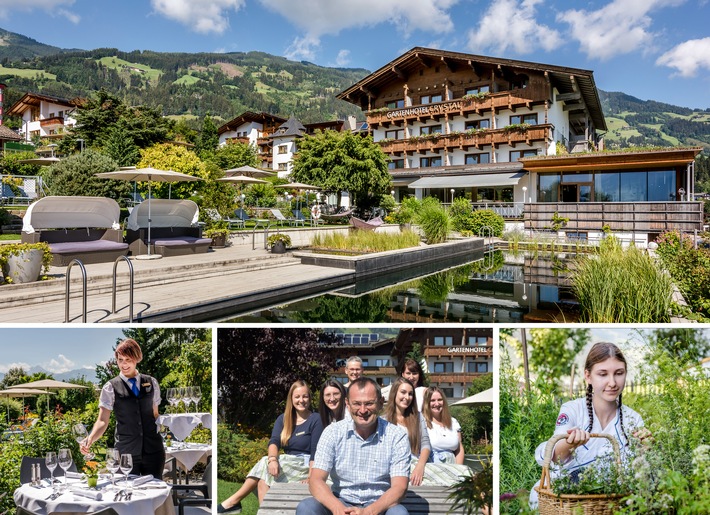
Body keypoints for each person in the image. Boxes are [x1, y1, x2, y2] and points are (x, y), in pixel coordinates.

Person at [529, 342, 650, 508]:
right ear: (588, 376)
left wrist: (644, 449)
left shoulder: (633, 418)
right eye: (603, 374)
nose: (612, 382)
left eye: (619, 373)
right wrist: (570, 443)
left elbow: (637, 471)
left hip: (612, 499)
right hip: (569, 498)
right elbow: (552, 455)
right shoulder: (572, 409)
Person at [296, 377, 411, 515]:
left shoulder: (397, 436)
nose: (362, 410)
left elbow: (400, 487)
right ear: (347, 404)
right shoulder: (332, 432)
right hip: (340, 500)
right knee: (306, 508)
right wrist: (338, 509)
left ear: (380, 403)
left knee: (399, 514)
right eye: (356, 404)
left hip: (381, 505)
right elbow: (316, 480)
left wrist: (368, 512)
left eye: (369, 403)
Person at [219, 380, 322, 514]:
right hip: (288, 465)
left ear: (310, 398)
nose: (301, 400)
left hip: (305, 466)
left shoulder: (316, 419)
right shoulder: (283, 419)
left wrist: (311, 477)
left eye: (305, 396)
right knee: (263, 479)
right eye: (297, 397)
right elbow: (274, 441)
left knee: (263, 463)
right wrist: (272, 459)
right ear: (291, 399)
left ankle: (233, 501)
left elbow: (316, 452)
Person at [80, 339, 164, 477]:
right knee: (127, 493)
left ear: (137, 358)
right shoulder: (110, 387)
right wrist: (90, 439)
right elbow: (102, 421)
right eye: (120, 360)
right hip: (126, 453)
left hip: (154, 451)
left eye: (128, 359)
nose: (123, 364)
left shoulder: (151, 382)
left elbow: (155, 415)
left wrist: (172, 423)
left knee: (156, 491)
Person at [384, 377, 430, 486]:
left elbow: (426, 444)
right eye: (403, 392)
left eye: (410, 394)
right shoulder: (383, 420)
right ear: (394, 393)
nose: (407, 397)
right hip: (392, 467)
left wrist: (420, 466)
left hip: (415, 463)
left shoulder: (418, 417)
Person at [422, 386, 465, 465]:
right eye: (432, 400)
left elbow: (459, 449)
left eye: (439, 400)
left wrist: (459, 470)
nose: (437, 403)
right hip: (431, 468)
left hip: (452, 468)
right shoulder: (422, 422)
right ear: (426, 403)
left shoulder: (453, 422)